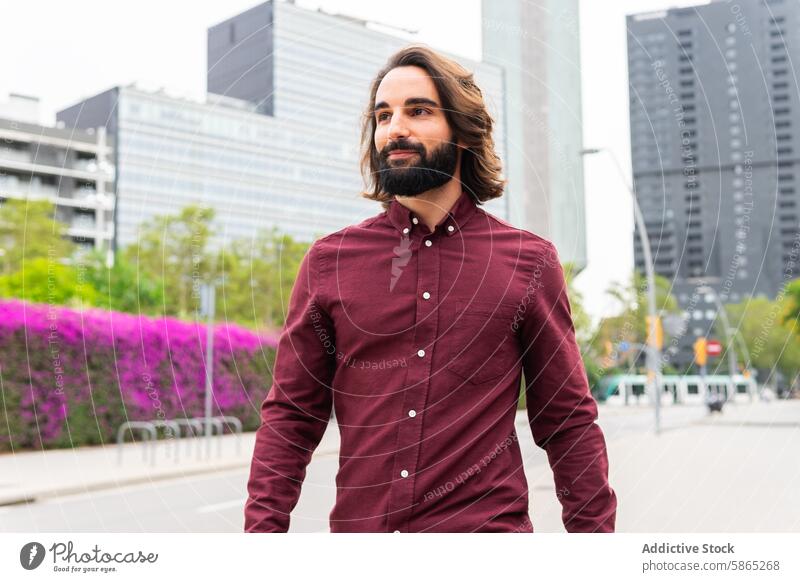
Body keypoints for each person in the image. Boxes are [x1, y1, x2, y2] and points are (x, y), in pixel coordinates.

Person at [244, 45, 617, 533]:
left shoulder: (529, 263)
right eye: (383, 115)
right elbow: (291, 419)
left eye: (418, 111)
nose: (395, 128)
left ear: (462, 131)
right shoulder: (328, 263)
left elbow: (566, 421)